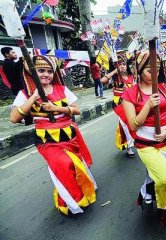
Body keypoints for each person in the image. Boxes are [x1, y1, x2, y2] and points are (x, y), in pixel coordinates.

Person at [10, 55, 97, 215]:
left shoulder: (62, 89)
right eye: (41, 70)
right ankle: (72, 202)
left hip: (70, 136)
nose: (46, 74)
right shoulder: (25, 93)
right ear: (33, 72)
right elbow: (14, 118)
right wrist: (34, 97)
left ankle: (83, 192)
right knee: (63, 165)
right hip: (47, 141)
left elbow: (76, 110)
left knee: (76, 166)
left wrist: (56, 109)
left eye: (50, 71)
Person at [122, 51, 166, 226]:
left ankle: (149, 195)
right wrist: (148, 106)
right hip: (145, 145)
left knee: (158, 177)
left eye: (157, 69)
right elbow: (133, 126)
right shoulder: (130, 93)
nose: (154, 74)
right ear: (139, 70)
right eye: (149, 70)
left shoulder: (164, 88)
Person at [100, 53, 136, 157]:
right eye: (119, 64)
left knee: (131, 123)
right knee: (125, 123)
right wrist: (115, 71)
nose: (122, 66)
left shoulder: (132, 77)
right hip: (118, 104)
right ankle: (130, 146)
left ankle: (129, 142)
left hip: (130, 103)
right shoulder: (115, 78)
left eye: (123, 64)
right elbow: (102, 81)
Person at [1, 47, 33, 125]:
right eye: (13, 52)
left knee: (26, 102)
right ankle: (27, 120)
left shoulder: (11, 63)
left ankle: (28, 120)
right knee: (24, 103)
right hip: (17, 87)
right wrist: (22, 58)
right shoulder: (7, 64)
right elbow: (16, 69)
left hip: (19, 86)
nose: (15, 54)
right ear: (7, 55)